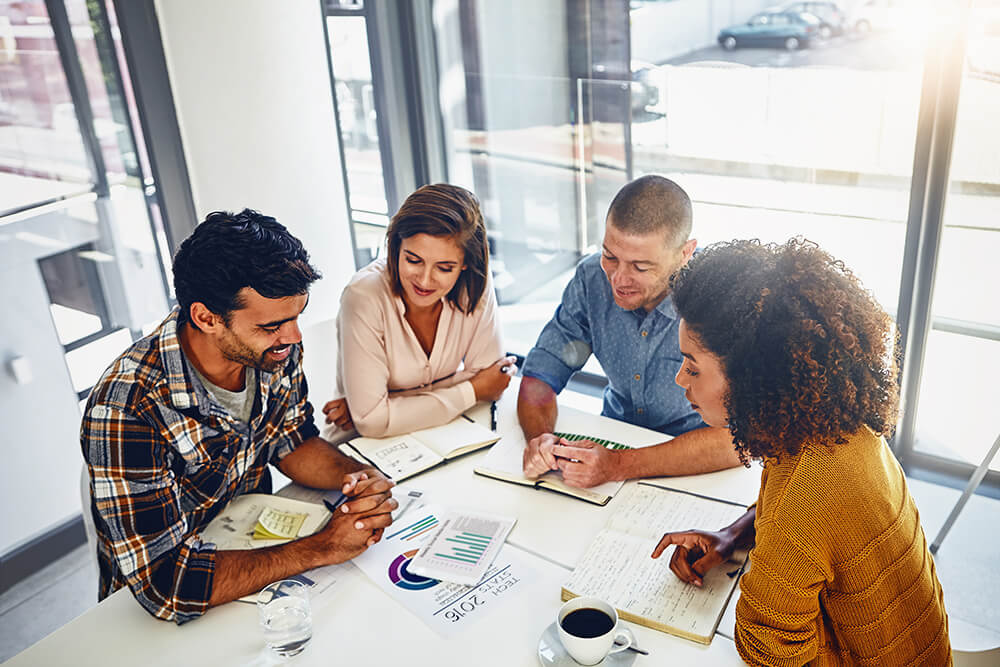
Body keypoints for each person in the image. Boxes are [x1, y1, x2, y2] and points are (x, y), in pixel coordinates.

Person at [80, 210, 396, 623]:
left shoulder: (273, 349)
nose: (294, 337)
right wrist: (323, 547)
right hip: (161, 613)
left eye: (297, 316)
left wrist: (355, 475)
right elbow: (166, 585)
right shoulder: (127, 408)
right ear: (206, 318)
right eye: (273, 326)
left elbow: (291, 441)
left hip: (252, 546)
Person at [652, 239, 951, 665]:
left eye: (694, 367)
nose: (682, 379)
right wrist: (734, 537)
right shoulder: (831, 426)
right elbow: (809, 524)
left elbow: (766, 650)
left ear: (753, 375)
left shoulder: (809, 492)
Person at [519, 175, 741, 488]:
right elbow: (541, 376)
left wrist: (618, 465)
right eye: (610, 256)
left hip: (696, 463)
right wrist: (540, 438)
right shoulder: (591, 278)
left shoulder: (724, 298)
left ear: (685, 253)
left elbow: (736, 440)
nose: (618, 279)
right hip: (612, 443)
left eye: (640, 266)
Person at [323, 183, 516, 438]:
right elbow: (371, 423)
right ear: (396, 247)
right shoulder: (363, 296)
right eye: (413, 260)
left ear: (466, 264)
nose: (425, 281)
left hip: (445, 433)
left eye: (444, 268)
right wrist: (472, 389)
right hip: (363, 449)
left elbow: (488, 379)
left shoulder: (476, 284)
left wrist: (387, 403)